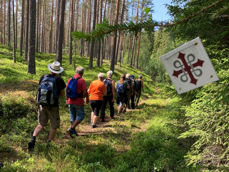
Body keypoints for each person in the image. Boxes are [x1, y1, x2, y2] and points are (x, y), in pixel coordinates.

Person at [28, 61, 66, 151]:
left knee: (41, 124)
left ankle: (33, 139)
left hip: (42, 104)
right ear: (58, 71)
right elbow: (62, 94)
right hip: (53, 106)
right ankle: (49, 144)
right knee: (54, 125)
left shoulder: (43, 77)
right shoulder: (59, 80)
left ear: (50, 69)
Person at [66, 66, 89, 137]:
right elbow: (85, 91)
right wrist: (86, 98)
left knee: (73, 116)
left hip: (70, 101)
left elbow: (66, 89)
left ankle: (73, 132)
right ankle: (71, 128)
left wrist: (67, 98)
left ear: (76, 72)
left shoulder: (70, 79)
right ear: (82, 73)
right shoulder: (82, 80)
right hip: (78, 101)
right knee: (81, 115)